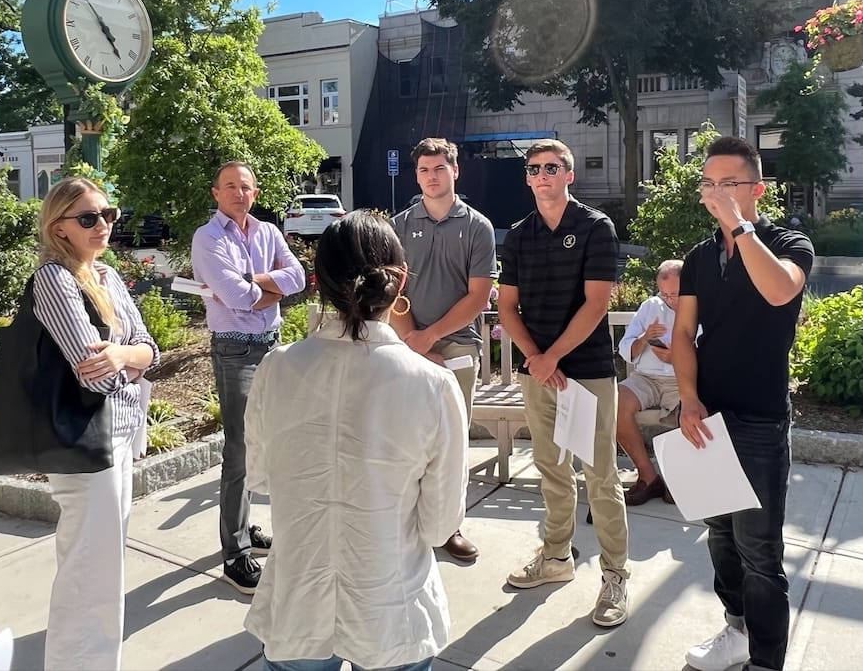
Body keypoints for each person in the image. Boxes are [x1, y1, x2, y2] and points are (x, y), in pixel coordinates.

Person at [244, 210, 468, 671]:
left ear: (317, 281)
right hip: (392, 606)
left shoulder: (277, 368)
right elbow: (439, 525)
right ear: (400, 281)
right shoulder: (433, 385)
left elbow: (260, 477)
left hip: (298, 604)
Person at [671, 135, 814, 671]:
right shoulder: (699, 258)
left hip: (758, 420)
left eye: (726, 183)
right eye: (708, 183)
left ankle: (766, 660)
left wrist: (740, 226)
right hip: (707, 415)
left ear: (756, 188)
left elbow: (780, 291)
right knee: (720, 539)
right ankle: (735, 630)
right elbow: (684, 334)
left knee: (760, 553)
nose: (714, 192)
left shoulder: (789, 242)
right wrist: (687, 399)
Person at [498, 139, 630, 628]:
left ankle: (615, 574)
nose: (542, 175)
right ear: (528, 178)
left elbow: (596, 304)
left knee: (600, 477)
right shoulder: (517, 236)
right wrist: (537, 359)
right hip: (541, 373)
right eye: (534, 169)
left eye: (552, 167)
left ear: (569, 175)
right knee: (551, 469)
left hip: (588, 372)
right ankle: (556, 558)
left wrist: (551, 357)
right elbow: (507, 308)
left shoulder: (596, 227)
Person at [35, 177, 160, 671]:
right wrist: (132, 362)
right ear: (58, 227)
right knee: (90, 573)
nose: (103, 225)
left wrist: (125, 355)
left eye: (108, 214)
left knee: (105, 568)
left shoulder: (104, 275)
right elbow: (95, 380)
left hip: (120, 435)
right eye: (88, 218)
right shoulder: (54, 278)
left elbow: (151, 347)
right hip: (86, 441)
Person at [190, 161, 306, 595]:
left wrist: (253, 282)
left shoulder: (269, 233)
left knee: (266, 441)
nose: (239, 193)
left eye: (246, 186)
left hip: (272, 346)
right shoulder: (207, 237)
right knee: (239, 448)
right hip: (235, 350)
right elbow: (236, 299)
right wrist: (262, 289)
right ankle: (234, 553)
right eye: (230, 186)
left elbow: (298, 279)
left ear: (255, 193)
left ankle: (244, 525)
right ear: (215, 193)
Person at [391, 137, 497, 563]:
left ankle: (449, 526)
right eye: (423, 171)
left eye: (438, 169)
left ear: (455, 171)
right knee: (407, 437)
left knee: (452, 440)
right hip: (405, 343)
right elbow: (393, 288)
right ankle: (406, 524)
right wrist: (411, 341)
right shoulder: (400, 225)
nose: (431, 177)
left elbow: (478, 297)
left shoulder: (477, 226)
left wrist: (429, 337)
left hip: (456, 345)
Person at [614, 260, 685, 506]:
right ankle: (648, 477)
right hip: (646, 377)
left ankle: (679, 480)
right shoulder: (650, 307)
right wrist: (645, 339)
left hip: (683, 379)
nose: (669, 299)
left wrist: (678, 355)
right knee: (615, 403)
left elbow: (712, 352)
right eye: (664, 294)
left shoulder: (701, 306)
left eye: (674, 294)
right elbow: (625, 349)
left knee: (695, 411)